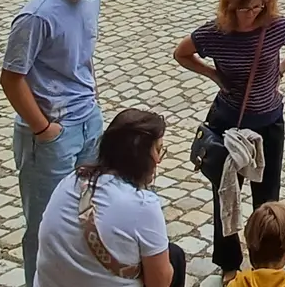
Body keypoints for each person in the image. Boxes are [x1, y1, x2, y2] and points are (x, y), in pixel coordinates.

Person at [173, 0, 285, 283]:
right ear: (231, 4)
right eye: (245, 8)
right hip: (230, 125)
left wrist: (282, 68)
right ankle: (229, 264)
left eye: (258, 8)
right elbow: (182, 53)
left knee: (267, 198)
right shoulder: (214, 33)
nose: (251, 15)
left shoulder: (276, 27)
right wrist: (212, 74)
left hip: (268, 124)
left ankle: (267, 264)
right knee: (227, 195)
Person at [2, 0, 124, 287]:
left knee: (88, 214)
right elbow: (11, 78)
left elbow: (82, 59)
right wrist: (42, 129)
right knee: (45, 224)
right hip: (52, 135)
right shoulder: (36, 16)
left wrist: (93, 101)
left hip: (89, 123)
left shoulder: (90, 2)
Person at [34, 107, 187, 287]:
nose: (159, 160)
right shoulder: (142, 205)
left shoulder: (72, 180)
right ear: (141, 157)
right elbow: (159, 283)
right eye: (158, 150)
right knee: (173, 258)